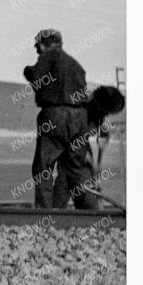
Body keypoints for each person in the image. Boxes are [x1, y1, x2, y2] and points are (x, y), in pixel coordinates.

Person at [23, 28, 99, 211]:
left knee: (43, 167)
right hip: (81, 118)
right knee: (70, 169)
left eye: (37, 46)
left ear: (43, 44)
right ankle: (60, 211)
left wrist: (28, 71)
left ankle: (44, 211)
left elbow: (37, 78)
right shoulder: (76, 65)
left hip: (56, 115)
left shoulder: (48, 56)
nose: (36, 50)